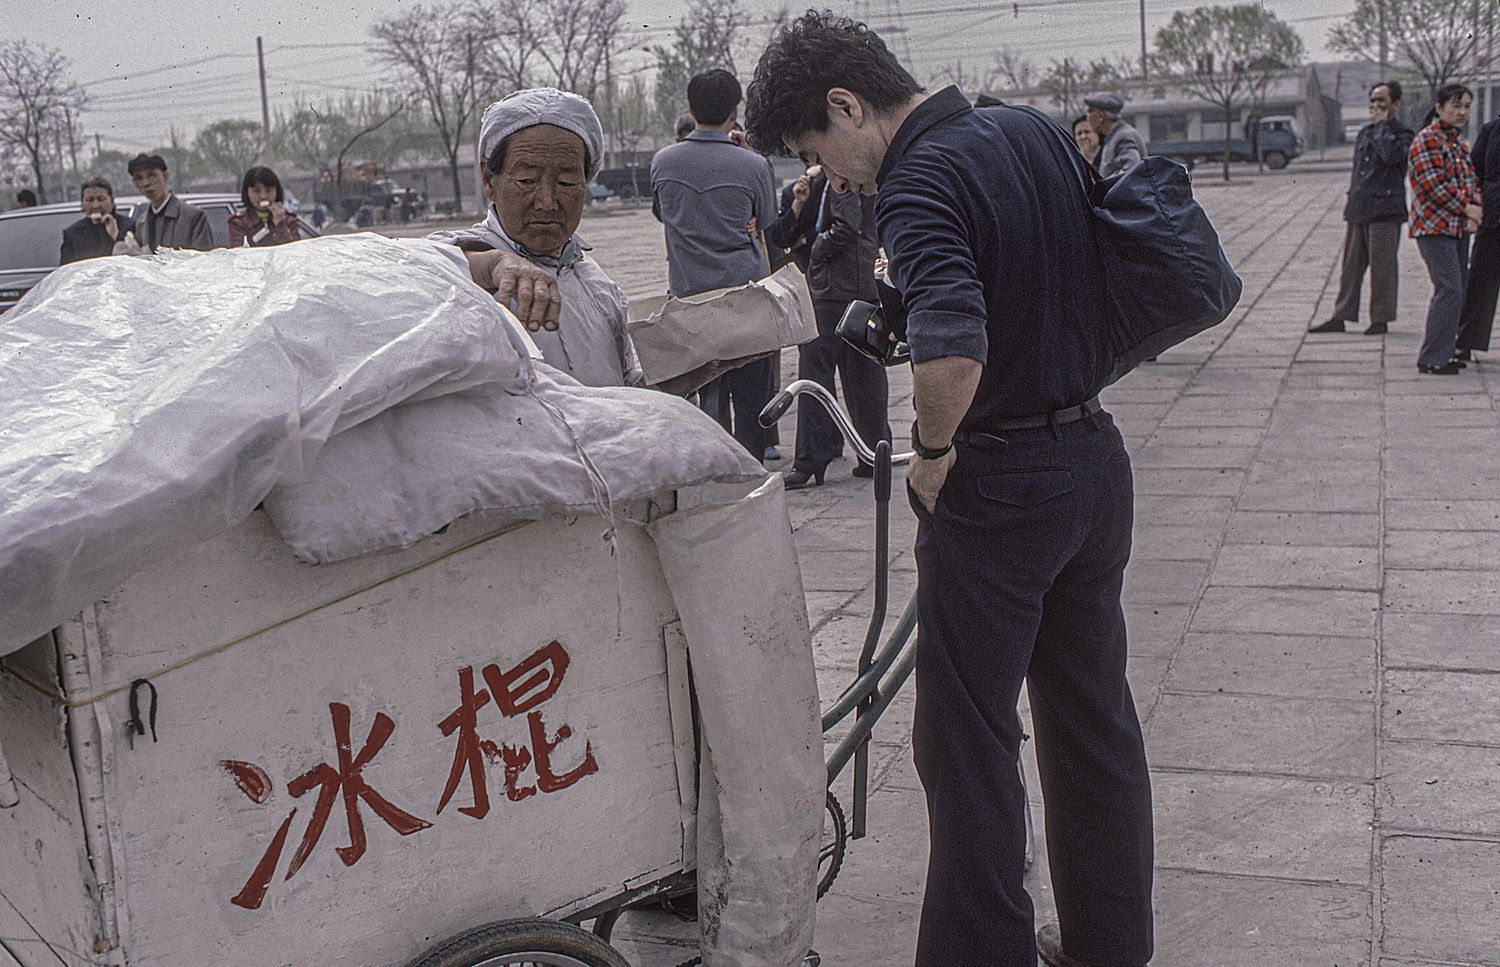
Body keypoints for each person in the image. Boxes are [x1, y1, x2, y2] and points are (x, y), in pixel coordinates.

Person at [746, 13, 1152, 967]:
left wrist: (929, 450)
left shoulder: (919, 177)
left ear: (849, 105)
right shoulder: (1030, 130)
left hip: (1001, 480)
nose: (834, 178)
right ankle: (1111, 942)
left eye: (819, 149)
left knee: (965, 742)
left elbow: (953, 352)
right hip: (1093, 460)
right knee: (1092, 718)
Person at [651, 68, 779, 461]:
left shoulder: (663, 161)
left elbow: (662, 213)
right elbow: (769, 219)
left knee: (706, 391)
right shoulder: (753, 165)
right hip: (745, 298)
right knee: (753, 396)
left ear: (690, 108)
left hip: (690, 297)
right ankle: (753, 470)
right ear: (734, 111)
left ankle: (713, 470)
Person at [782, 185, 891, 488]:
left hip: (834, 288)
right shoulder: (864, 168)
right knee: (865, 371)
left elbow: (846, 225)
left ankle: (812, 457)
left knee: (815, 371)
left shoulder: (840, 172)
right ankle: (874, 451)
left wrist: (816, 251)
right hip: (862, 283)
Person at [1309, 81, 1415, 335]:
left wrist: (1382, 127)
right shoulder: (1365, 133)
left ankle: (1380, 318)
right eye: (1373, 101)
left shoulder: (1402, 134)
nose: (1376, 106)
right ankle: (1342, 314)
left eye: (1382, 101)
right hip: (1360, 206)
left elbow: (1391, 156)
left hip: (1386, 209)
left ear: (1395, 105)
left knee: (1383, 267)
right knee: (1351, 267)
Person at [1408, 83, 1482, 375]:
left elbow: (1471, 181)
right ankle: (1432, 357)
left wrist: (1475, 212)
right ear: (1439, 108)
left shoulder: (1458, 143)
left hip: (1458, 227)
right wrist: (1467, 207)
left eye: (1466, 106)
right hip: (1434, 227)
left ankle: (1445, 350)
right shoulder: (1427, 140)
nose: (1462, 111)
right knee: (1449, 288)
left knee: (1457, 288)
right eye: (1455, 105)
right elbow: (1432, 186)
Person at [1456, 111, 1500, 360]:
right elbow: (1474, 173)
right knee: (1480, 281)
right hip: (1494, 218)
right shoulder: (1492, 129)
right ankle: (1465, 341)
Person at [128, 154, 213, 253]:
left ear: (165, 176)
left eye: (151, 175)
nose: (146, 183)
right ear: (135, 184)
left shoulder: (193, 217)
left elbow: (203, 261)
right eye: (139, 178)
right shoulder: (142, 223)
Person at [60, 177, 135, 265]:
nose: (95, 206)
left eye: (101, 199)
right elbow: (66, 270)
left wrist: (117, 236)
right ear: (82, 204)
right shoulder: (73, 234)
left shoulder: (129, 225)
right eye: (90, 200)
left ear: (112, 201)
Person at [228, 166, 302, 247]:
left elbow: (293, 252)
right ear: (247, 193)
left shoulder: (289, 220)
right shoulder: (238, 222)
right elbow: (239, 254)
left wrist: (280, 224)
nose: (263, 196)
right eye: (256, 191)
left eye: (268, 191)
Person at [1085, 92, 1146, 177]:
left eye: (1090, 111)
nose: (1087, 117)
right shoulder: (1113, 137)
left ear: (1100, 116)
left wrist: (1105, 185)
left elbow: (1132, 169)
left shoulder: (1123, 136)